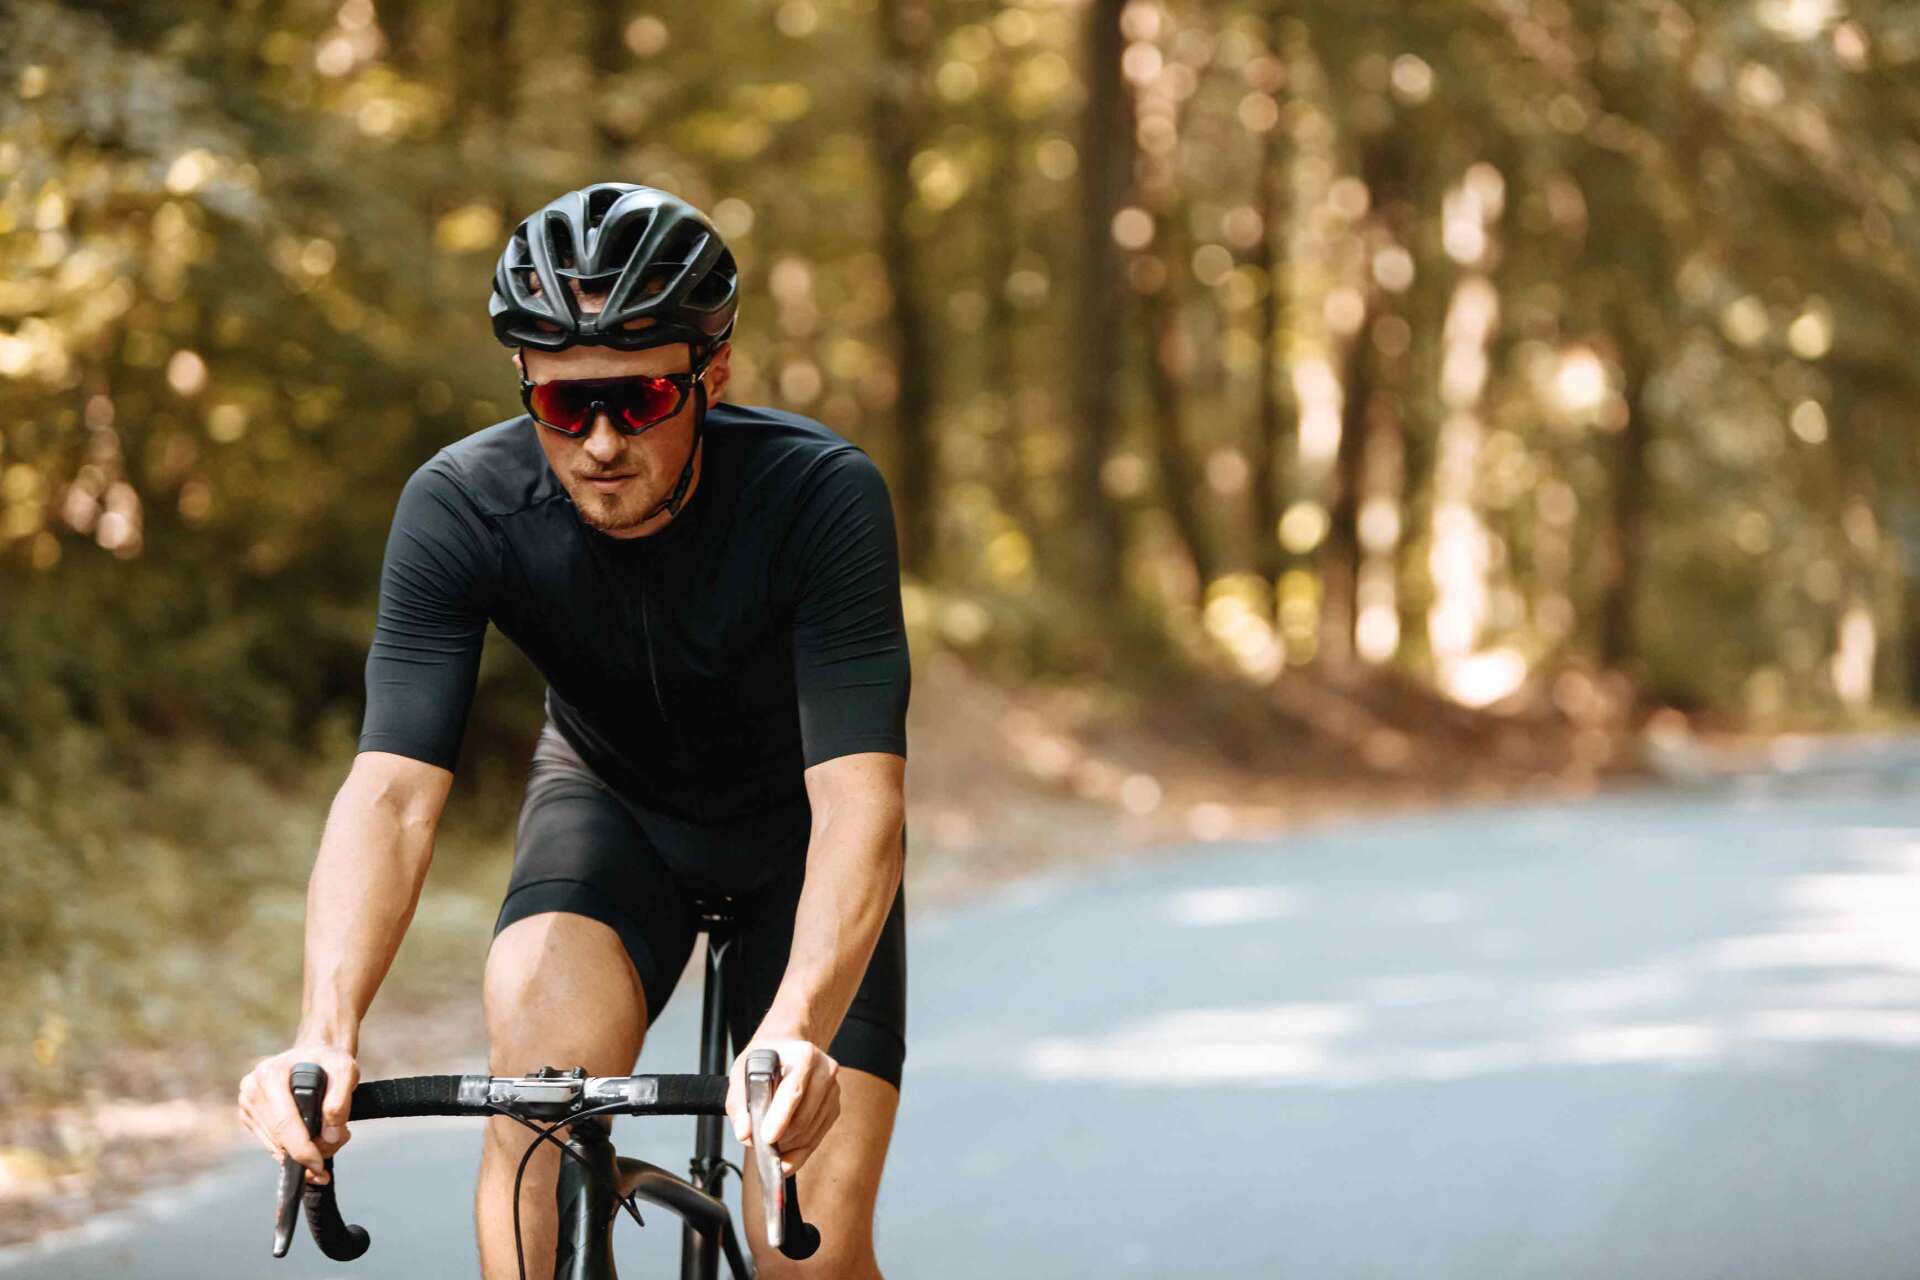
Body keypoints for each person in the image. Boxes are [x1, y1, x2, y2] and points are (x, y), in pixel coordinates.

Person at [236, 182, 910, 1279]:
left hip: (801, 842)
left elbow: (859, 798)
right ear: (524, 387)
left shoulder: (819, 496)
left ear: (714, 372)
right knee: (537, 1109)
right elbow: (394, 793)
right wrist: (326, 1030)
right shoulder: (463, 506)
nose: (598, 441)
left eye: (639, 400)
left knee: (807, 1254)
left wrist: (796, 1026)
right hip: (611, 819)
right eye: (562, 405)